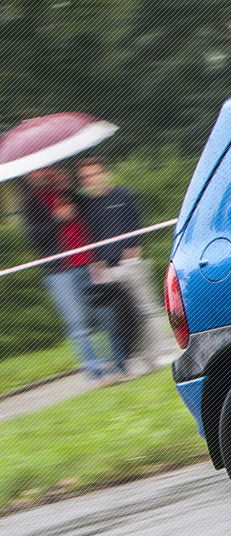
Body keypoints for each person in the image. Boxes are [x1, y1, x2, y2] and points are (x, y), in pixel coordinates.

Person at [20, 166, 119, 379]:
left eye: (46, 171)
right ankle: (95, 373)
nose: (43, 175)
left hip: (91, 263)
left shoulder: (69, 193)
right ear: (30, 175)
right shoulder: (29, 203)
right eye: (37, 172)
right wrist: (58, 218)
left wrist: (68, 187)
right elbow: (33, 238)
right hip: (60, 271)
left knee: (106, 315)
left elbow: (93, 216)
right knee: (78, 323)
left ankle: (118, 365)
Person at [77, 157, 165, 371]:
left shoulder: (122, 194)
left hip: (130, 263)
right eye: (87, 177)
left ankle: (160, 355)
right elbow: (86, 237)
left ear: (105, 173)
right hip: (106, 271)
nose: (93, 179)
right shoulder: (85, 206)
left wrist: (133, 249)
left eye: (96, 173)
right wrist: (97, 265)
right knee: (124, 317)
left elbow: (135, 222)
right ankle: (141, 360)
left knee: (148, 310)